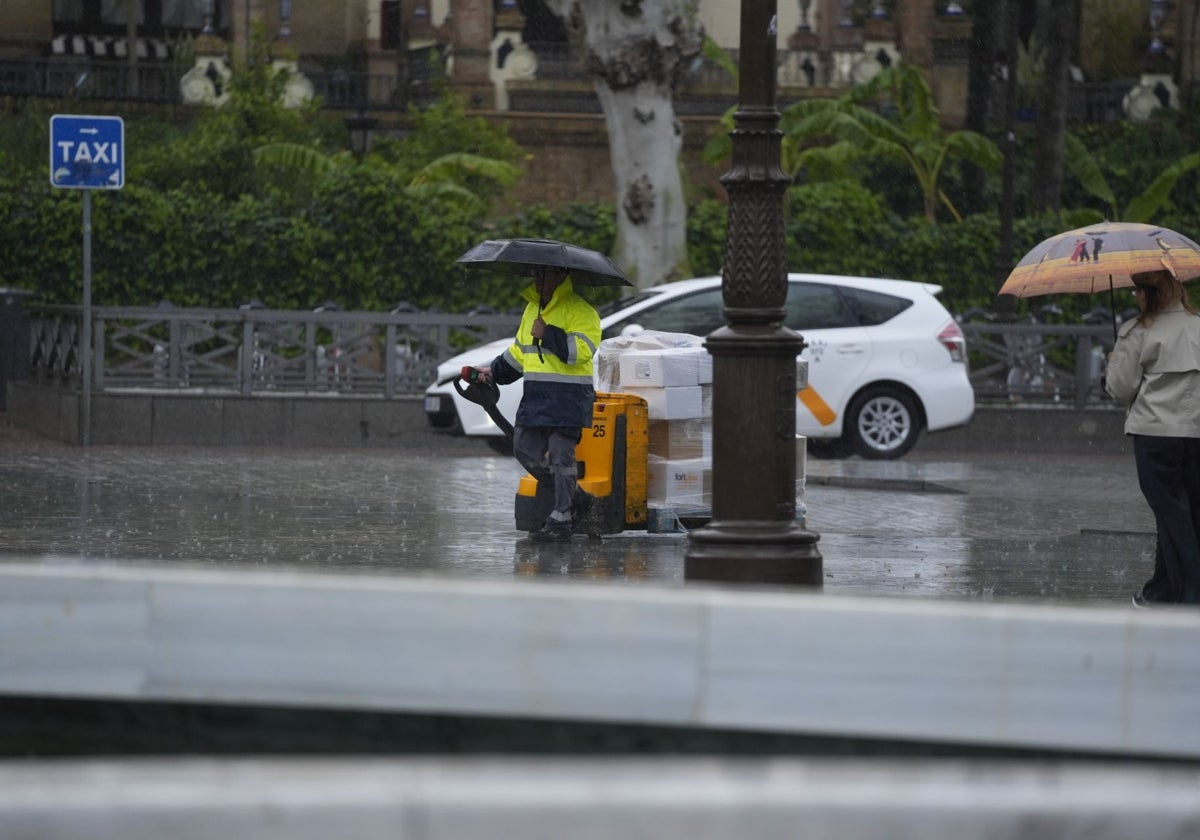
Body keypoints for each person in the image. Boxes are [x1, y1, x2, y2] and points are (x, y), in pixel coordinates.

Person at [473, 264, 600, 542]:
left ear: (561, 276)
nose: (537, 280)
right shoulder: (532, 309)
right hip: (537, 396)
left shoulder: (581, 311)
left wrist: (548, 333)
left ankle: (562, 517)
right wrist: (493, 371)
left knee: (560, 457)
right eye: (535, 274)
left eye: (543, 275)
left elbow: (581, 352)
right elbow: (520, 352)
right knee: (524, 449)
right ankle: (577, 498)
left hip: (568, 398)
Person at [1105, 268, 1200, 607]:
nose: (1135, 297)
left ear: (1148, 294)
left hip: (1155, 435)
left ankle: (1191, 596)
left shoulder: (1137, 331)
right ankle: (1161, 591)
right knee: (1182, 513)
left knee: (1173, 515)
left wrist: (1115, 361)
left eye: (1137, 291)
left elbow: (1120, 388)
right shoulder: (1198, 326)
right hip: (1195, 434)